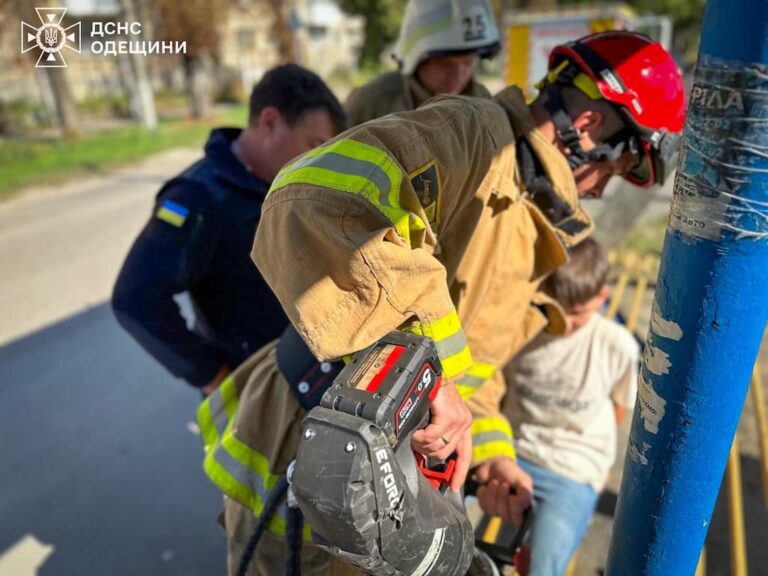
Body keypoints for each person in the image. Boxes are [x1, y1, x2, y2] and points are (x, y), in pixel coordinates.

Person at [197, 31, 685, 575]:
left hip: (385, 476)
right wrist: (439, 377)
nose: (598, 191)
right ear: (591, 127)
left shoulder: (534, 216)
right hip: (315, 444)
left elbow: (480, 364)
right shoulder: (474, 137)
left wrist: (495, 450)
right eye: (614, 171)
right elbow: (313, 198)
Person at [111, 65, 345, 395]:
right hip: (257, 394)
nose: (319, 160)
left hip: (309, 376)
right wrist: (214, 377)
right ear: (270, 122)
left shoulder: (285, 182)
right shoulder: (199, 199)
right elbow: (136, 298)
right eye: (314, 144)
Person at [501, 238, 639, 576]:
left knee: (543, 567)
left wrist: (597, 463)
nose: (564, 322)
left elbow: (619, 407)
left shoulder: (616, 346)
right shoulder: (520, 329)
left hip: (572, 467)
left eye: (576, 314)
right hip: (510, 448)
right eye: (555, 310)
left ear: (601, 298)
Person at [344, 0, 500, 127]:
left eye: (467, 62)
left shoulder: (483, 100)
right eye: (446, 64)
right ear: (416, 60)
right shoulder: (372, 103)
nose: (458, 76)